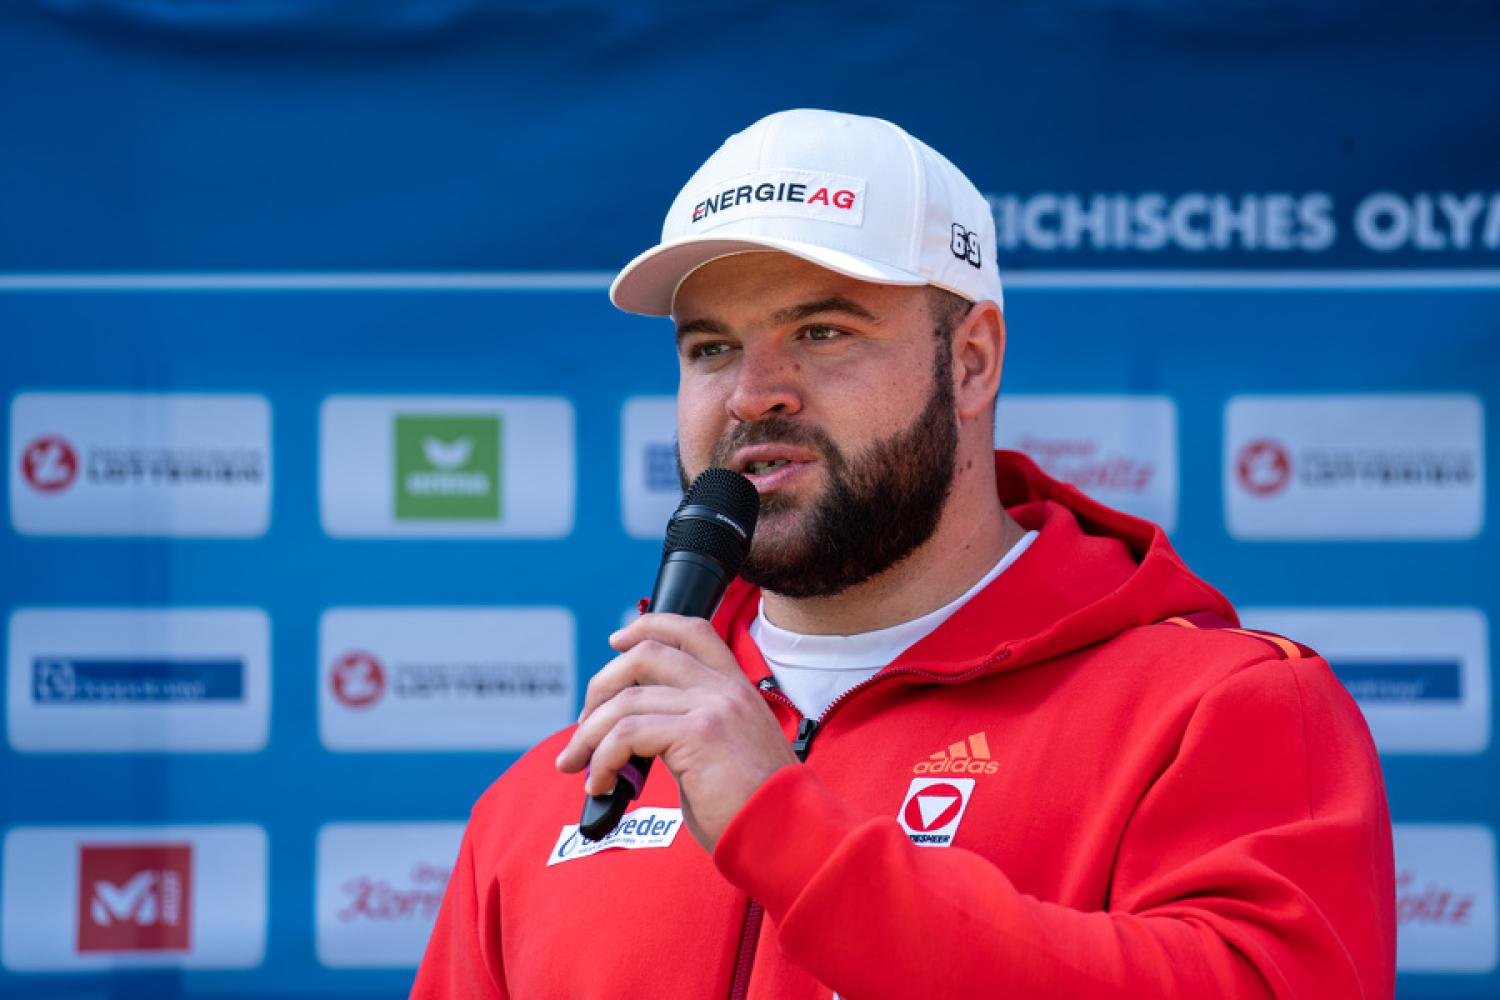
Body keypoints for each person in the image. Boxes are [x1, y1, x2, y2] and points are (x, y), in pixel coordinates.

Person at [413, 109, 1394, 998]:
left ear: (971, 362)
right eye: (710, 348)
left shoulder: (1219, 714)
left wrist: (789, 834)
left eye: (822, 330)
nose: (753, 392)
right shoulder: (549, 797)